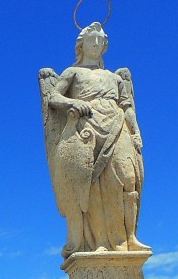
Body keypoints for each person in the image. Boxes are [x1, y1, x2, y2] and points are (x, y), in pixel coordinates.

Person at [39, 22, 150, 258]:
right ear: (82, 44)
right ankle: (100, 242)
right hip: (86, 126)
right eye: (92, 40)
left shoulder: (115, 78)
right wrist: (72, 102)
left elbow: (127, 107)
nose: (97, 44)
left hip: (117, 125)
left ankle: (129, 237)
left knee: (128, 179)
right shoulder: (73, 73)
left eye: (101, 40)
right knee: (93, 187)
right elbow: (53, 97)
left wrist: (136, 131)